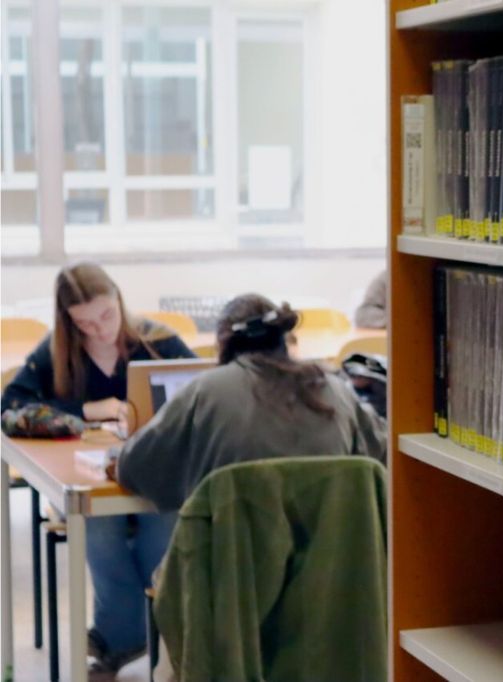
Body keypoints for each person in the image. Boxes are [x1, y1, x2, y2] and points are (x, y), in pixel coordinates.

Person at [0, 262, 195, 680]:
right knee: (100, 527)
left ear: (119, 302)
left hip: (153, 474)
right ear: (68, 321)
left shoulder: (157, 340)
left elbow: (203, 390)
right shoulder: (56, 351)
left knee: (160, 514)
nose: (100, 329)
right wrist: (88, 412)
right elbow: (11, 407)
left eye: (107, 315)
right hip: (84, 476)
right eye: (84, 323)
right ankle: (141, 636)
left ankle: (125, 638)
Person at [114, 293, 387, 513]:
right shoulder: (335, 390)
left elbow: (133, 468)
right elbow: (382, 453)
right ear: (285, 338)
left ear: (222, 344)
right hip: (328, 572)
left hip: (233, 571)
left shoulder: (206, 390)